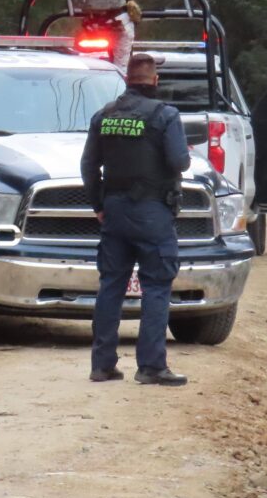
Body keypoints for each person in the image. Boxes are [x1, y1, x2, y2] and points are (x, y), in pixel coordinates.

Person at [81, 54, 191, 386]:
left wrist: (99, 204)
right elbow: (180, 162)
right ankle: (151, 366)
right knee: (156, 286)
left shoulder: (105, 115)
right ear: (154, 81)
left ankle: (102, 366)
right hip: (152, 213)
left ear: (127, 80)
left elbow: (88, 165)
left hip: (114, 212)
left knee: (111, 286)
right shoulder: (165, 115)